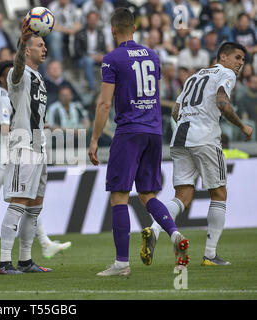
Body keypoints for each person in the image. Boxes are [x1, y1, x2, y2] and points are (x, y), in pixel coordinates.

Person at [88, 8, 190, 277]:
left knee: (119, 196)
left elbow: (104, 103)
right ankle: (174, 233)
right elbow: (155, 95)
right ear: (134, 28)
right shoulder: (152, 55)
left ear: (113, 30)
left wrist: (95, 138)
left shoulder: (112, 60)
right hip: (153, 131)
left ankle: (122, 263)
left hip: (129, 131)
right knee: (147, 195)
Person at [145, 42, 253, 266]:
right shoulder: (225, 73)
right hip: (205, 139)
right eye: (237, 57)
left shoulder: (194, 77)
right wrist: (242, 127)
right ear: (223, 57)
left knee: (182, 196)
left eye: (243, 60)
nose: (240, 63)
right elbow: (222, 102)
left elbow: (175, 112)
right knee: (219, 193)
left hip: (181, 138)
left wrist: (193, 123)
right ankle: (210, 255)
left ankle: (154, 230)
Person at [0, 61, 71, 263]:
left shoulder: (13, 98)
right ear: (4, 78)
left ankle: (45, 243)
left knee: (26, 199)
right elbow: (5, 129)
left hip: (11, 157)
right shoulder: (1, 99)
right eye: (11, 73)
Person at [0, 19, 53, 275]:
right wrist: (20, 44)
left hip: (39, 149)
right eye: (40, 44)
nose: (45, 48)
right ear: (26, 49)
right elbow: (17, 69)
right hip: (23, 147)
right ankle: (4, 262)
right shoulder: (16, 73)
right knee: (18, 203)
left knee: (35, 206)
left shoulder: (39, 77)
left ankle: (26, 260)